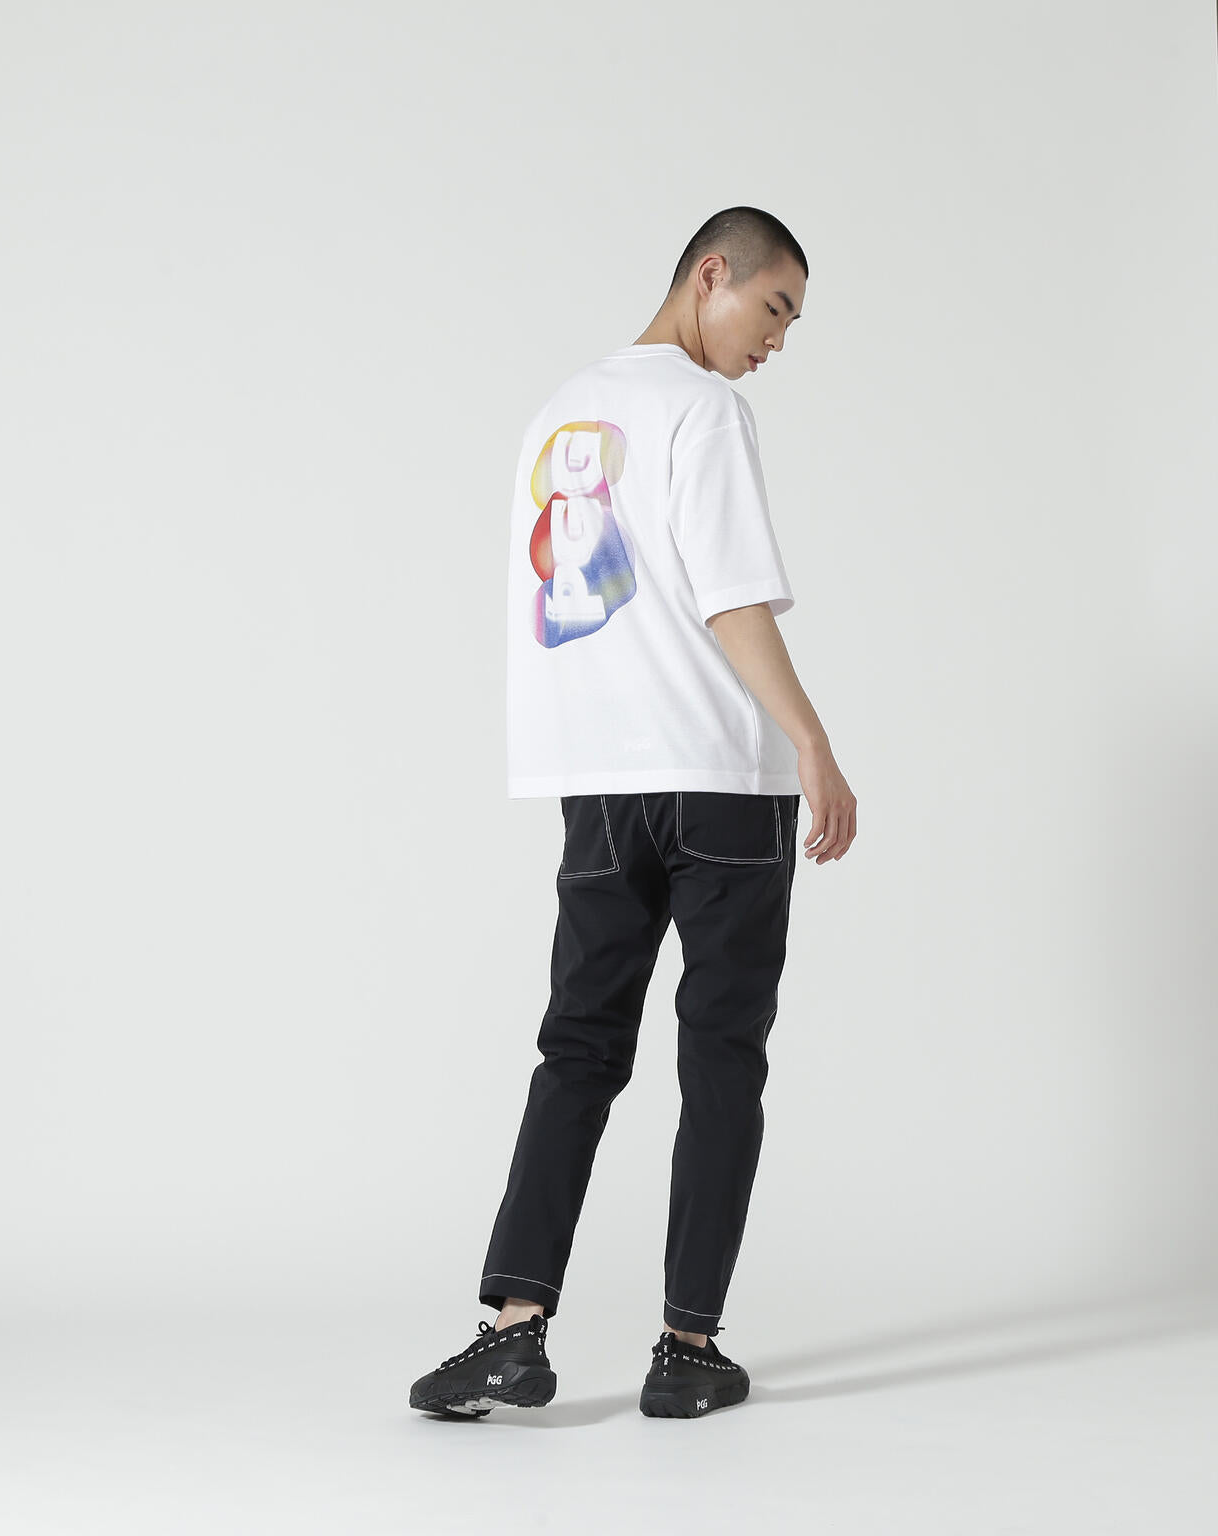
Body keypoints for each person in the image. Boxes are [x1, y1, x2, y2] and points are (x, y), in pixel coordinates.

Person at [409, 206, 857, 1421]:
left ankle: (512, 1331)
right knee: (719, 1056)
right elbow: (730, 599)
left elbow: (562, 607)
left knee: (577, 1047)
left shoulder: (559, 413)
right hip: (718, 780)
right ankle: (686, 1348)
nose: (776, 341)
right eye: (772, 308)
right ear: (710, 274)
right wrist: (811, 741)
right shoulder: (702, 410)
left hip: (598, 783)